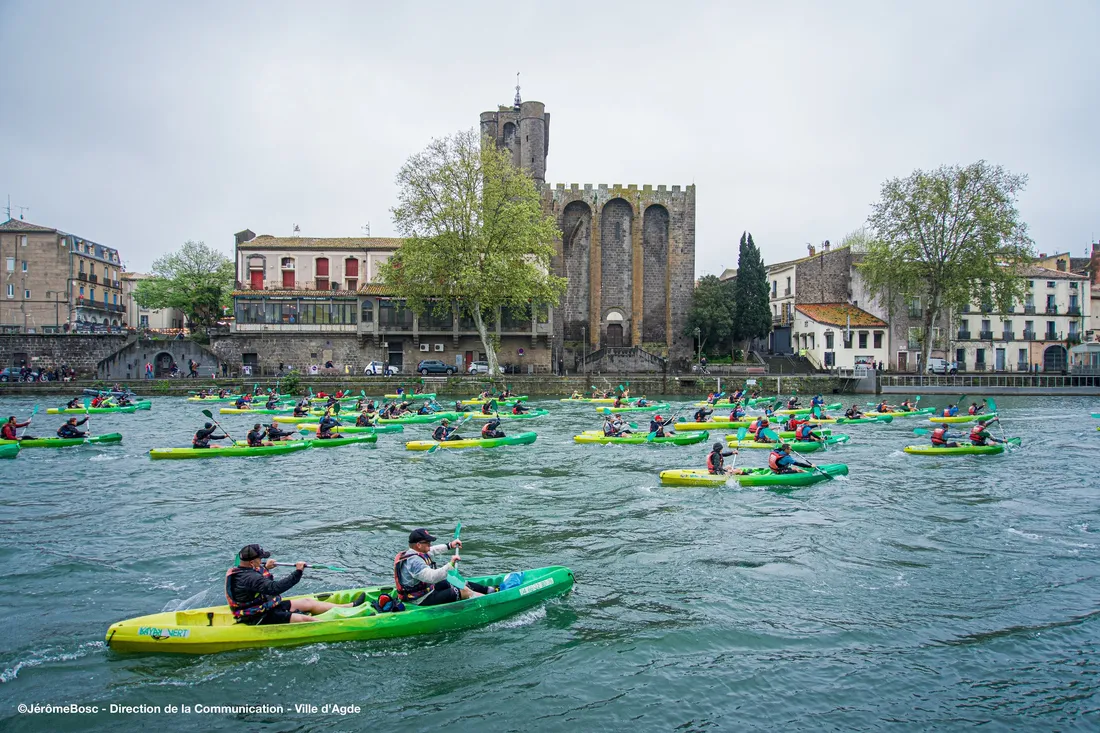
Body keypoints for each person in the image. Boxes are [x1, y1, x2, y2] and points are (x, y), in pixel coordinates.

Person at [226, 544, 363, 625]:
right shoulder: (250, 578)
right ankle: (345, 624)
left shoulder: (242, 570)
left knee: (308, 602)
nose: (262, 560)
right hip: (258, 617)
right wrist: (298, 572)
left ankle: (350, 606)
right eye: (260, 559)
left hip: (266, 608)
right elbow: (275, 588)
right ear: (251, 562)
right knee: (306, 619)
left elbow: (257, 581)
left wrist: (266, 568)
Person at [394, 529, 496, 606]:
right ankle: (492, 603)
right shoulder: (414, 562)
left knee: (457, 582)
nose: (430, 544)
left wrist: (450, 545)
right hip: (420, 599)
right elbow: (432, 577)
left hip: (428, 589)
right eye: (427, 542)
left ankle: (490, 591)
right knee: (463, 591)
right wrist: (450, 565)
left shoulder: (416, 552)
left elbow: (433, 550)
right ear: (418, 544)